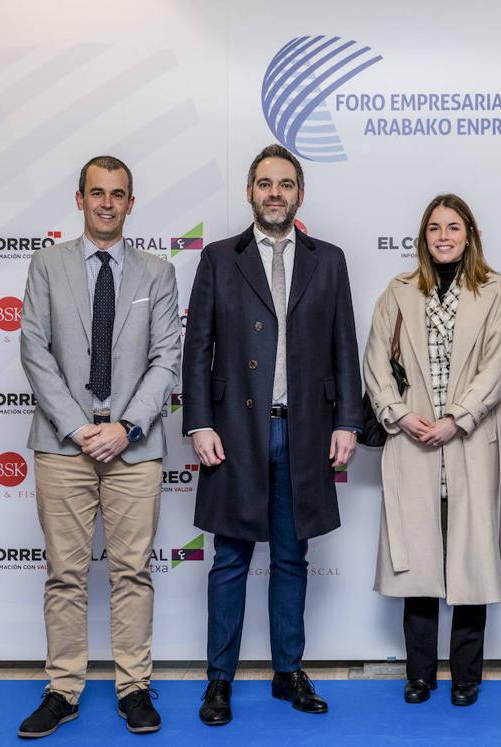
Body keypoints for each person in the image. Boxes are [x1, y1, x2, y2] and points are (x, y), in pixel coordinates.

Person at [182, 144, 361, 726]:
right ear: (250, 192)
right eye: (265, 183)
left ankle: (288, 672)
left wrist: (347, 422)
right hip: (234, 433)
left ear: (300, 193)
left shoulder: (328, 261)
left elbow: (344, 348)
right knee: (230, 559)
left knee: (291, 557)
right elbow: (196, 348)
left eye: (285, 183)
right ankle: (219, 681)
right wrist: (200, 421)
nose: (275, 193)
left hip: (305, 434)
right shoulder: (217, 259)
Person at [17, 155, 180, 738]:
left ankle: (134, 686)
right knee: (65, 572)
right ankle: (63, 689)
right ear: (79, 198)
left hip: (134, 448)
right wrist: (76, 427)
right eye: (97, 193)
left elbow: (166, 358)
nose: (107, 203)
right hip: (64, 447)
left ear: (131, 203)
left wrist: (126, 428)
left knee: (132, 571)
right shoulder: (46, 265)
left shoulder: (158, 273)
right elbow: (34, 350)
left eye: (118, 194)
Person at [364, 194, 501, 707]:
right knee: (420, 562)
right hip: (412, 441)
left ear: (469, 233)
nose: (443, 236)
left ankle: (467, 675)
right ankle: (420, 673)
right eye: (434, 228)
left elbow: (496, 366)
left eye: (453, 227)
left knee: (471, 561)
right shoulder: (399, 291)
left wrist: (457, 419)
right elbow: (375, 363)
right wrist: (401, 416)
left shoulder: (493, 291)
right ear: (423, 237)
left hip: (470, 442)